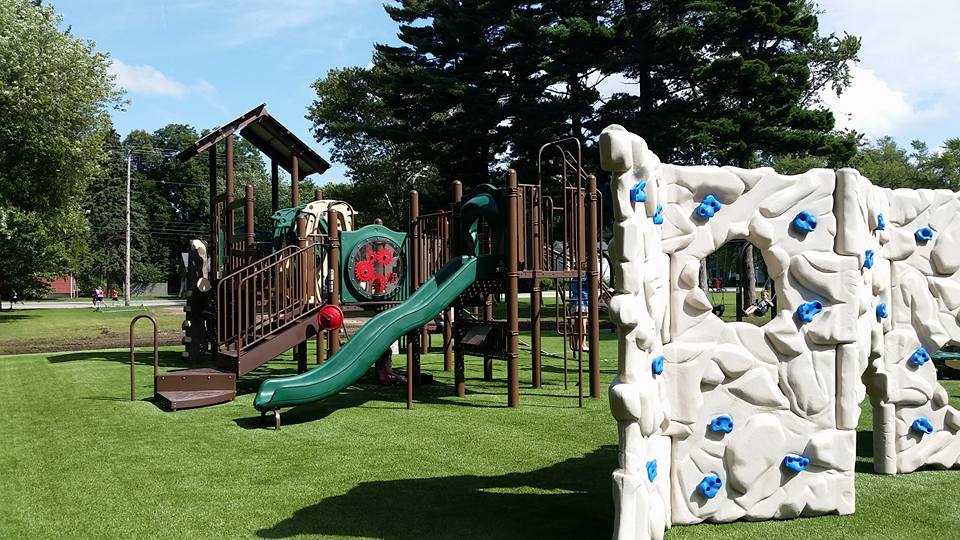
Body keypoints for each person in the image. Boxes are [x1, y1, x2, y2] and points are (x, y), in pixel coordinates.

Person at [568, 276, 591, 352]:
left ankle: (575, 344)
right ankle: (583, 344)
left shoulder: (574, 276)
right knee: (583, 323)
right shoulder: (585, 277)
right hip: (583, 301)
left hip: (575, 301)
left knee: (576, 323)